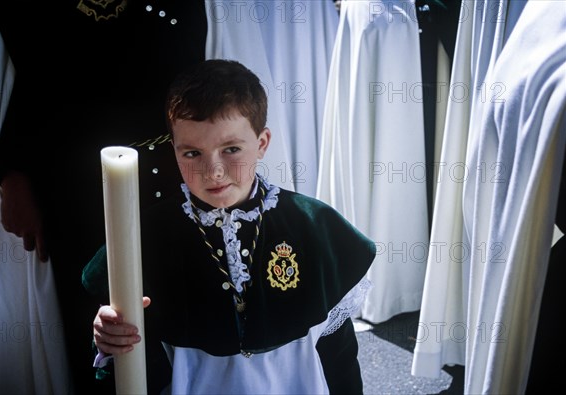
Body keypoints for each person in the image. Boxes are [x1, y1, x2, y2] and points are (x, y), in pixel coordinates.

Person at [83, 59, 376, 394]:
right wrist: (108, 342)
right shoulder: (145, 236)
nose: (214, 171)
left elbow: (338, 356)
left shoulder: (314, 227)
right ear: (174, 150)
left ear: (262, 143)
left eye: (231, 149)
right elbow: (130, 364)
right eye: (192, 153)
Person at [0, 1, 208, 392]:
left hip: (176, 173)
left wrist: (213, 160)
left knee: (180, 310)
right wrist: (14, 170)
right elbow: (31, 68)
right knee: (94, 317)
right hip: (70, 187)